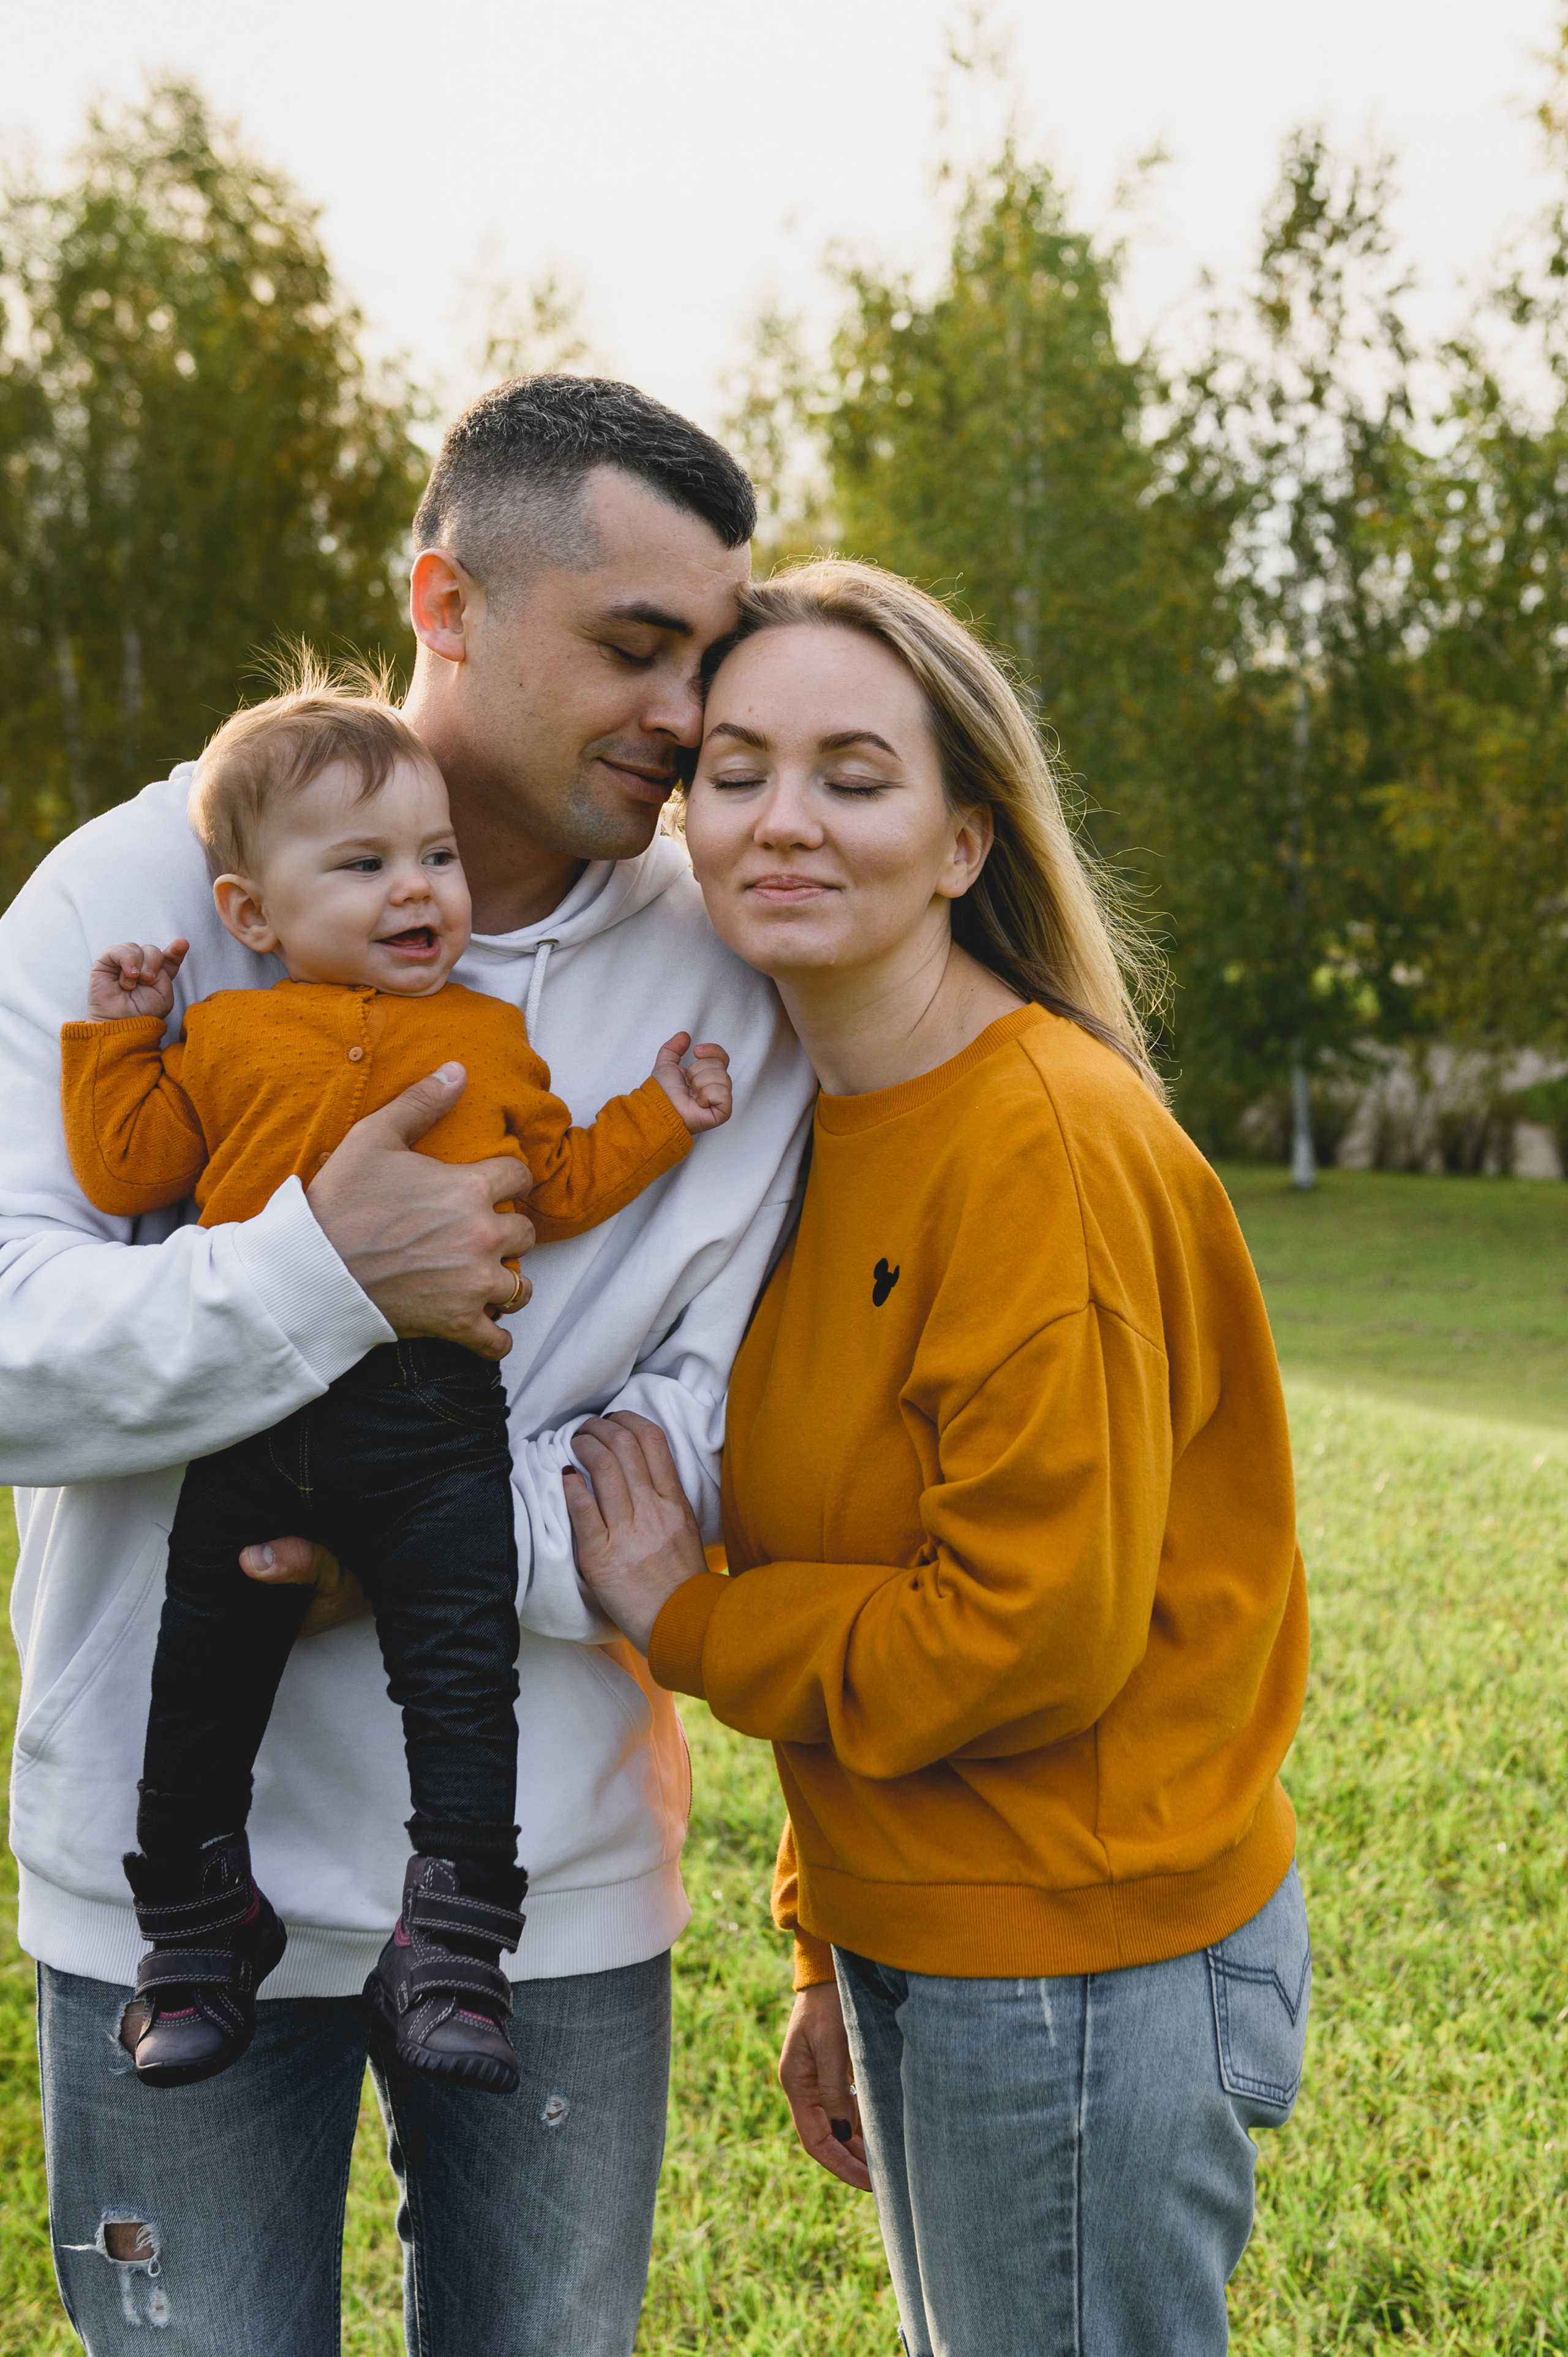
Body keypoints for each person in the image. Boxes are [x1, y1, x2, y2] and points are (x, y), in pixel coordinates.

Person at [1, 378, 814, 2351]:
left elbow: (715, 1425)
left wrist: (422, 1529)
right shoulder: (146, 900)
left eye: (710, 657)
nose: (690, 715)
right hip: (166, 1894)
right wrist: (313, 1275)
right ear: (445, 598)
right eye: (636, 647)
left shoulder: (734, 968)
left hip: (551, 1887)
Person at [564, 559, 1312, 2357]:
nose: (782, 820)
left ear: (966, 843)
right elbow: (868, 1526)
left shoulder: (1034, 1142)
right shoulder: (814, 1131)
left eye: (854, 774)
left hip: (1076, 1951)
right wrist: (831, 1942)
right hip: (943, 1925)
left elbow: (1025, 1633)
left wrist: (692, 1618)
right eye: (735, 772)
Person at [61, 676, 733, 2094]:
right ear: (253, 913)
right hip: (247, 1419)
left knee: (459, 1675)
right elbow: (126, 1169)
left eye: (433, 858)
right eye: (361, 866)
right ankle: (192, 1930)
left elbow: (554, 1184)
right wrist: (117, 1036)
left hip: (431, 1425)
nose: (417, 890)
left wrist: (659, 1117)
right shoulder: (229, 1036)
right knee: (201, 1679)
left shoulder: (488, 1039)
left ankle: (455, 1945)